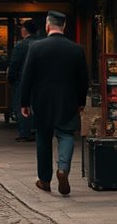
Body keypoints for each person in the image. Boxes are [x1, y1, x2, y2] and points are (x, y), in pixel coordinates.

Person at [20, 11, 89, 197]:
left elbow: (26, 77)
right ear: (64, 27)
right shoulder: (76, 49)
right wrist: (81, 101)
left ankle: (44, 180)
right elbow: (84, 80)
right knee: (66, 134)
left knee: (43, 139)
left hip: (42, 102)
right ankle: (63, 169)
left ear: (48, 26)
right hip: (68, 100)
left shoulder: (36, 47)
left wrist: (24, 102)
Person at [8, 20, 39, 141]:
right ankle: (35, 130)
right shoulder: (41, 43)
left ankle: (25, 132)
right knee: (36, 105)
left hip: (22, 80)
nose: (21, 31)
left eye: (21, 29)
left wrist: (11, 79)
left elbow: (14, 64)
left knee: (22, 105)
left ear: (25, 30)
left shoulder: (21, 46)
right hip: (39, 82)